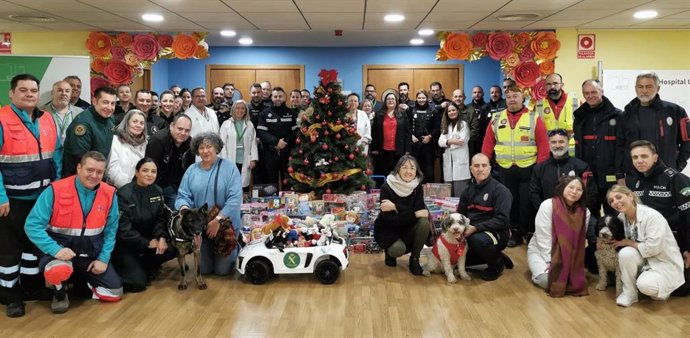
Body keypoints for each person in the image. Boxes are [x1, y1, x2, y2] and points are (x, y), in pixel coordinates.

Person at [25, 151, 122, 314]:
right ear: (79, 168)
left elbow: (111, 230)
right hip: (59, 253)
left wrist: (103, 259)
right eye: (89, 170)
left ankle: (79, 282)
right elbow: (32, 225)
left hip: (90, 254)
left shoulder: (110, 194)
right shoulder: (55, 190)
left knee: (115, 292)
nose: (94, 175)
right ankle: (60, 292)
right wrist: (56, 250)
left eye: (99, 172)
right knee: (58, 270)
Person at [0, 74, 62, 318]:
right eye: (23, 90)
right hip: (11, 201)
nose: (29, 94)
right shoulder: (2, 119)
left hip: (40, 197)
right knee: (9, 251)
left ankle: (31, 288)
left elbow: (55, 154)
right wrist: (1, 196)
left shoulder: (47, 119)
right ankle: (10, 296)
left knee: (31, 247)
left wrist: (55, 186)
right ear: (11, 93)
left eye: (33, 90)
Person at [482, 85, 550, 247]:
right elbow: (488, 143)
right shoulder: (497, 118)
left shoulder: (534, 117)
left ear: (523, 97)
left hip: (529, 168)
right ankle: (514, 232)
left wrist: (540, 169)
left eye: (516, 96)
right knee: (509, 202)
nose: (512, 99)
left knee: (527, 202)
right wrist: (484, 164)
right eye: (509, 96)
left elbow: (543, 145)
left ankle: (528, 231)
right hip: (505, 169)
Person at [625, 140, 690, 296]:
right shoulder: (633, 181)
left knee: (681, 290)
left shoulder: (675, 179)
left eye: (644, 156)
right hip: (645, 241)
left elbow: (688, 217)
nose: (639, 161)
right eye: (635, 157)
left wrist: (689, 248)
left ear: (655, 157)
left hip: (673, 242)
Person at [606, 185, 684, 307]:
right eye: (611, 201)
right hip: (645, 259)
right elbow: (615, 235)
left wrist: (629, 242)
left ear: (630, 196)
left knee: (646, 286)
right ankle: (630, 294)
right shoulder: (622, 217)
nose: (615, 202)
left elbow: (652, 249)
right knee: (625, 253)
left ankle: (657, 286)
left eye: (618, 197)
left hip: (662, 261)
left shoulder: (652, 216)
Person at [175, 132, 242, 276]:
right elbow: (182, 195)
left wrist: (218, 220)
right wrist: (185, 209)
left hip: (225, 225)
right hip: (201, 227)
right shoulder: (191, 170)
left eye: (209, 147)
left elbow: (235, 198)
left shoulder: (230, 168)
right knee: (204, 270)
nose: (205, 151)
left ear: (216, 148)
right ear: (197, 150)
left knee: (222, 271)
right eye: (201, 148)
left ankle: (237, 245)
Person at [112, 158, 176, 292]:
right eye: (145, 170)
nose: (150, 174)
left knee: (174, 248)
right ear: (136, 173)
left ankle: (144, 266)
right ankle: (124, 269)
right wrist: (147, 243)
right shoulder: (124, 194)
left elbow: (160, 219)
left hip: (149, 240)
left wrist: (162, 237)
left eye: (153, 171)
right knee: (138, 284)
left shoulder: (157, 191)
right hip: (127, 244)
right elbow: (123, 231)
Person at [528, 176, 590, 296]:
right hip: (542, 252)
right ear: (562, 187)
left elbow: (579, 241)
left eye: (579, 189)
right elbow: (543, 237)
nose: (574, 191)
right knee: (547, 281)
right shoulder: (548, 205)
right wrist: (550, 262)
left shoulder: (585, 212)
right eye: (571, 187)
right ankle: (537, 272)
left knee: (575, 282)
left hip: (569, 254)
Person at [458, 153, 514, 281]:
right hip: (471, 232)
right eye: (476, 166)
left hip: (495, 232)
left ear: (489, 168)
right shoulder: (467, 192)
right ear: (471, 169)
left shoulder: (500, 191)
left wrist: (476, 228)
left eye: (484, 165)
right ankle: (494, 255)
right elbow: (460, 215)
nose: (480, 169)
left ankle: (497, 264)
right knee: (456, 263)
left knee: (477, 240)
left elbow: (502, 220)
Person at [573, 79, 625, 215]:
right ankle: (592, 237)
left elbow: (621, 148)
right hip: (587, 176)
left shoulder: (618, 116)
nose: (590, 96)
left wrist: (620, 175)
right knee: (589, 215)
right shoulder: (579, 117)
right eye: (586, 93)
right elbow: (578, 148)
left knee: (614, 215)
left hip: (611, 176)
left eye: (594, 92)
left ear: (602, 91)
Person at [621, 72, 690, 172]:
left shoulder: (675, 111)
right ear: (635, 88)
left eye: (649, 87)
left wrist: (678, 166)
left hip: (666, 173)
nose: (644, 91)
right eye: (640, 87)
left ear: (658, 88)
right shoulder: (627, 114)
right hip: (634, 174)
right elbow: (620, 145)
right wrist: (621, 173)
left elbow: (687, 142)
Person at [373, 155, 430, 276]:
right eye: (404, 167)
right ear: (398, 169)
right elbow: (390, 220)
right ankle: (389, 253)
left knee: (424, 223)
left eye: (412, 168)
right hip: (389, 230)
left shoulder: (417, 187)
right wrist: (414, 213)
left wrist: (395, 207)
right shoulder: (386, 187)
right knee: (397, 250)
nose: (408, 171)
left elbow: (422, 213)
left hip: (408, 226)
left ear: (416, 171)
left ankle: (414, 259)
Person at [529, 129, 596, 216]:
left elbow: (590, 194)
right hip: (548, 215)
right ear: (549, 144)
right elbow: (534, 194)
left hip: (575, 216)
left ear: (568, 142)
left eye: (561, 142)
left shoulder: (581, 167)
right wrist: (545, 212)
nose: (557, 145)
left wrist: (576, 213)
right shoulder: (539, 168)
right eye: (553, 142)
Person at [62, 86, 116, 177]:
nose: (110, 107)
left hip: (99, 173)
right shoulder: (82, 123)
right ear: (94, 101)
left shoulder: (110, 119)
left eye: (113, 103)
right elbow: (81, 156)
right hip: (81, 176)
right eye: (105, 102)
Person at [145, 114, 194, 210]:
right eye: (180, 129)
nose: (183, 133)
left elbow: (190, 169)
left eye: (187, 130)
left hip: (179, 185)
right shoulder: (158, 141)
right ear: (171, 126)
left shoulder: (189, 143)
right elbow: (149, 170)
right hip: (158, 185)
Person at [256, 87, 297, 187]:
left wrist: (284, 143)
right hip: (270, 152)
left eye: (280, 96)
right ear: (272, 98)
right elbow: (261, 132)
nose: (278, 98)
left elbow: (295, 132)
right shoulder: (264, 114)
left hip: (287, 153)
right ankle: (271, 202)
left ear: (284, 97)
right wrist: (276, 142)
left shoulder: (292, 114)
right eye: (275, 96)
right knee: (270, 182)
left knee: (287, 181)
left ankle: (288, 201)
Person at [536, 73, 579, 156]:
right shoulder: (538, 106)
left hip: (571, 154)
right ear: (545, 86)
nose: (552, 87)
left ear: (562, 85)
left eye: (555, 83)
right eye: (548, 84)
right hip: (548, 153)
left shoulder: (576, 103)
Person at [219, 100, 258, 190]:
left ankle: (244, 203)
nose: (240, 110)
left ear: (245, 111)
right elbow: (222, 144)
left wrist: (253, 159)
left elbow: (253, 143)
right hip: (230, 158)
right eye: (237, 108)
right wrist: (224, 160)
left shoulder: (249, 124)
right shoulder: (226, 124)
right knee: (231, 184)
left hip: (245, 159)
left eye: (242, 108)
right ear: (233, 109)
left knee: (244, 184)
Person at [371, 92, 411, 176]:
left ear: (396, 101)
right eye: (388, 99)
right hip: (382, 150)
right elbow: (374, 133)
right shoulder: (379, 114)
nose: (390, 101)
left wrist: (408, 149)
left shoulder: (402, 113)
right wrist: (374, 148)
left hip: (399, 150)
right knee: (383, 173)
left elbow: (408, 132)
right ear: (385, 101)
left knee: (397, 173)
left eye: (392, 99)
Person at [105, 110, 148, 188]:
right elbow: (112, 169)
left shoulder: (145, 143)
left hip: (138, 189)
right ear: (127, 123)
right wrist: (128, 188)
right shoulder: (115, 140)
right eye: (135, 121)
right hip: (116, 188)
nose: (138, 125)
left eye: (142, 123)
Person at [438, 102, 470, 197]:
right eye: (449, 111)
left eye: (453, 110)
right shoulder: (446, 127)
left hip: (460, 165)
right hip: (449, 164)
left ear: (458, 111)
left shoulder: (463, 124)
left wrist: (447, 142)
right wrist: (451, 141)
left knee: (460, 195)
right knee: (449, 195)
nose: (451, 112)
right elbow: (440, 142)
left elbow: (462, 141)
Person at [407, 89, 438, 183]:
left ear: (427, 98)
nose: (421, 99)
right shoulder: (411, 109)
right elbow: (406, 125)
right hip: (414, 144)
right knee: (414, 170)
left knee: (429, 172)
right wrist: (411, 136)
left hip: (428, 145)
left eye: (423, 97)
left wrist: (430, 136)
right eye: (419, 97)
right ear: (416, 98)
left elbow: (437, 127)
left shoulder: (433, 110)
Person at [42, 80, 83, 145]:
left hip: (72, 153)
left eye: (67, 91)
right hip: (51, 153)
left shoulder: (80, 112)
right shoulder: (41, 112)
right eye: (60, 90)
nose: (64, 93)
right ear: (52, 93)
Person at [477, 85, 507, 155]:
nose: (494, 94)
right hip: (489, 137)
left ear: (501, 93)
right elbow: (481, 125)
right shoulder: (484, 107)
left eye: (497, 92)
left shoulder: (506, 105)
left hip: (503, 137)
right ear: (490, 94)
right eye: (492, 92)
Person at [450, 89, 479, 157]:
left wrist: (462, 141)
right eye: (456, 96)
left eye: (460, 96)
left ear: (464, 98)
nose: (458, 99)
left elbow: (475, 130)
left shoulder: (471, 111)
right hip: (451, 146)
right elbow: (444, 127)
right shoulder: (448, 111)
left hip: (467, 147)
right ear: (452, 98)